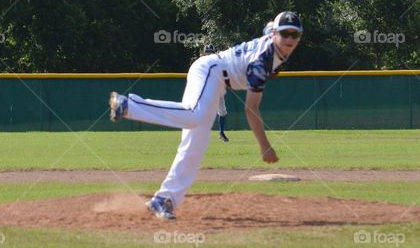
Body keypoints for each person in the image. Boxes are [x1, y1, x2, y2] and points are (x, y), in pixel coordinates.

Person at [108, 11, 304, 220]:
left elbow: (267, 27)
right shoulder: (261, 62)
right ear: (274, 34)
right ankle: (128, 105)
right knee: (194, 115)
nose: (290, 39)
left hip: (219, 81)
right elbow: (251, 108)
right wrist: (265, 145)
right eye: (285, 34)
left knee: (195, 146)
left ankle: (164, 199)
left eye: (295, 34)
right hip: (211, 71)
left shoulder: (273, 43)